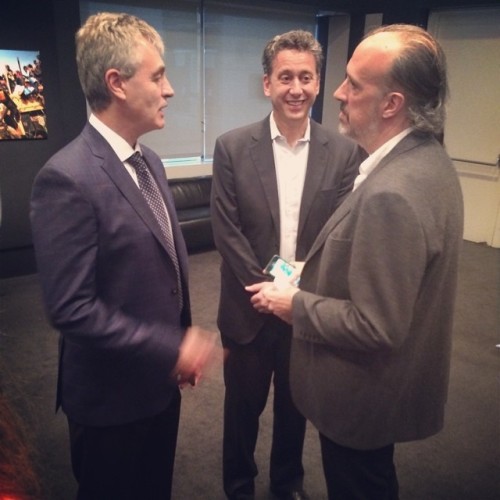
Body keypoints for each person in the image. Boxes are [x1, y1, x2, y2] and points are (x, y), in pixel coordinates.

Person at [247, 24, 464, 499]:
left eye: (355, 84)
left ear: (392, 104)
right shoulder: (426, 161)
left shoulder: (393, 192)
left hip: (362, 400)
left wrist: (295, 304)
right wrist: (316, 270)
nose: (339, 93)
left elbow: (376, 324)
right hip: (387, 390)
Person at [30, 12, 216, 499]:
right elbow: (71, 307)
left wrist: (175, 348)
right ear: (116, 83)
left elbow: (162, 270)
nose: (169, 89)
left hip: (160, 389)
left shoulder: (149, 160)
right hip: (109, 404)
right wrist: (170, 345)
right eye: (157, 76)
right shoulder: (65, 178)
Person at [210, 30, 365, 500]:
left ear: (318, 83)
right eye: (285, 78)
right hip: (248, 307)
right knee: (242, 410)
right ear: (267, 84)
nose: (295, 88)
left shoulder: (342, 152)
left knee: (295, 410)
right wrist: (266, 291)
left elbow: (336, 233)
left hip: (305, 308)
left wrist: (295, 296)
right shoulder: (233, 146)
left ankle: (287, 484)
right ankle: (238, 486)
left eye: (305, 77)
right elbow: (226, 230)